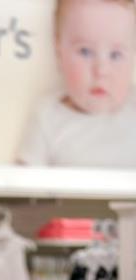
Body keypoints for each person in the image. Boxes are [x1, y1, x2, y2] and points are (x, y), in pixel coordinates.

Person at [17, 0, 136, 167]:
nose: (101, 70)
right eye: (85, 52)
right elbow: (21, 180)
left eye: (115, 55)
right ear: (59, 54)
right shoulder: (47, 117)